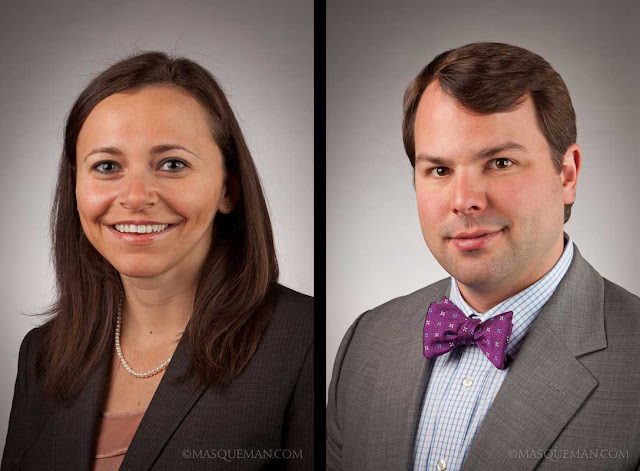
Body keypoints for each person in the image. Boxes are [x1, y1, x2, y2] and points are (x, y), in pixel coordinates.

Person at [326, 42, 640, 471]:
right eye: (440, 170)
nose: (464, 201)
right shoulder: (367, 342)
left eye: (500, 162)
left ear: (566, 175)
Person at [2, 51, 313, 471]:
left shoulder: (304, 341)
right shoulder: (41, 354)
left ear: (228, 189)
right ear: (75, 187)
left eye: (172, 164)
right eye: (107, 166)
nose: (135, 197)